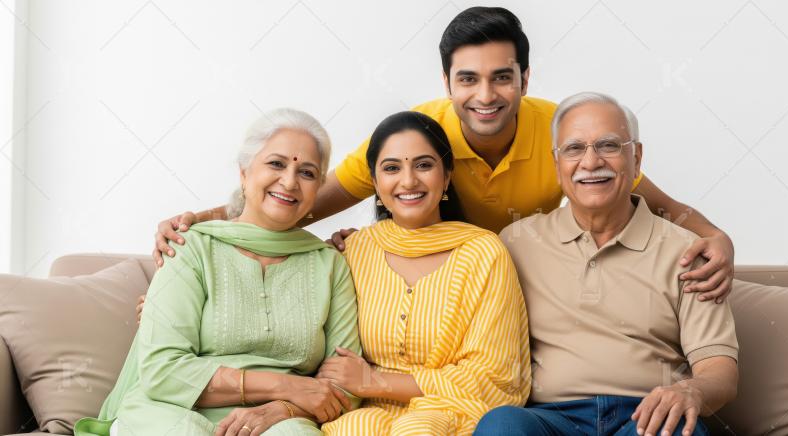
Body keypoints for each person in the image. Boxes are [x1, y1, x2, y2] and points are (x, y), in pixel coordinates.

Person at [152, 7, 735, 302]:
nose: (486, 96)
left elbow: (659, 205)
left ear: (525, 78)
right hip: (438, 284)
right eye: (469, 79)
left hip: (521, 285)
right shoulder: (415, 136)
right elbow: (297, 204)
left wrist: (718, 238)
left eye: (502, 77)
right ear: (447, 80)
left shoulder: (564, 132)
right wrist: (207, 221)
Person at [74, 109, 361, 436]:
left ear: (318, 188)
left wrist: (284, 407)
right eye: (276, 164)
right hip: (171, 408)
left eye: (307, 172)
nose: (290, 180)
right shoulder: (191, 246)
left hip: (277, 418)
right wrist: (287, 386)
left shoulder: (329, 264)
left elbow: (344, 384)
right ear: (244, 173)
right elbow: (161, 371)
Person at [474, 92, 739, 436]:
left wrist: (691, 390)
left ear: (637, 158)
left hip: (645, 418)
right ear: (556, 165)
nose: (590, 162)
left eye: (609, 145)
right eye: (573, 149)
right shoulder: (515, 243)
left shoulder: (687, 252)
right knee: (501, 424)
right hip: (550, 420)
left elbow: (720, 372)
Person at [312, 111, 531, 434]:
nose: (408, 180)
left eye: (424, 165)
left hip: (452, 410)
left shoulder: (484, 252)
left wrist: (375, 381)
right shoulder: (354, 251)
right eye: (391, 168)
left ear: (446, 177)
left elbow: (495, 374)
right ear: (374, 181)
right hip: (363, 411)